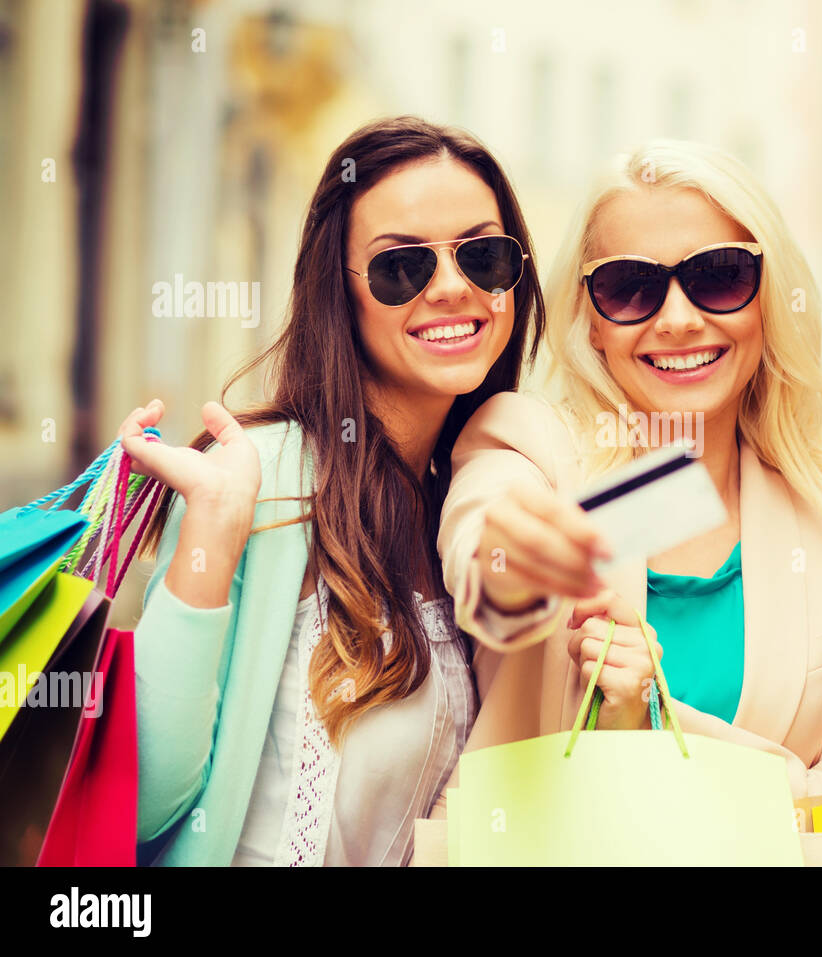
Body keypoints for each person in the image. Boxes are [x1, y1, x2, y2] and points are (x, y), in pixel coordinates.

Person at [121, 116, 544, 865]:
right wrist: (213, 534)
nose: (452, 288)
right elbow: (143, 799)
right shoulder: (264, 475)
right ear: (338, 294)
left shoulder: (462, 508)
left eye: (481, 255)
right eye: (400, 267)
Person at [436, 140, 822, 805]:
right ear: (591, 320)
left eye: (719, 276)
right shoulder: (530, 444)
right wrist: (512, 559)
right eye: (631, 288)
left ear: (768, 300)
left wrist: (655, 723)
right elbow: (484, 567)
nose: (679, 320)